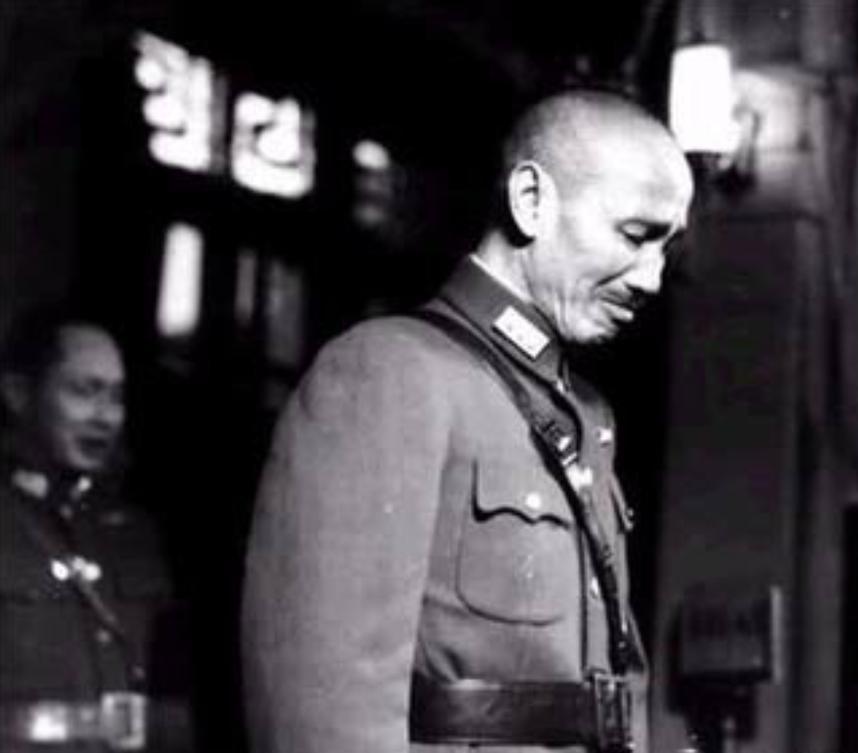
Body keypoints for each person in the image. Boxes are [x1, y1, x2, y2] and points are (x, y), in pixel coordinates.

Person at [241, 89, 693, 753]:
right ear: (530, 201)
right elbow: (320, 708)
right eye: (634, 236)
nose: (651, 278)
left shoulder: (583, 412)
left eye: (667, 248)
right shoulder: (389, 373)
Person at [0, 310, 193, 753]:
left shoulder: (133, 535)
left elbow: (170, 714)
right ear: (18, 393)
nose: (106, 416)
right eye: (84, 391)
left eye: (116, 397)